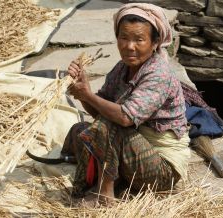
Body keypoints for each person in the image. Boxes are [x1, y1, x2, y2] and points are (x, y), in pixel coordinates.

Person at [64, 3, 191, 205]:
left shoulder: (158, 74)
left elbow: (124, 118)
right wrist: (82, 92)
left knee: (109, 124)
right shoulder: (122, 68)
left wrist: (88, 96)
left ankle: (105, 194)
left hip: (161, 170)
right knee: (81, 130)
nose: (129, 46)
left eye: (139, 39)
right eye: (124, 38)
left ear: (155, 42)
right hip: (133, 151)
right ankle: (118, 182)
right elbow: (99, 110)